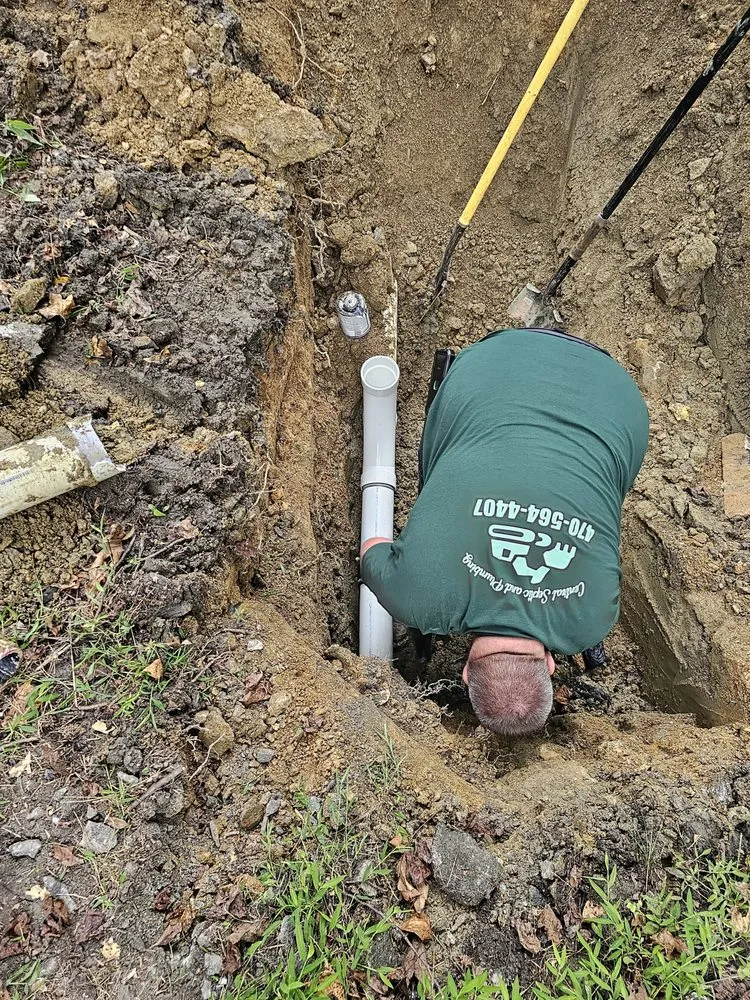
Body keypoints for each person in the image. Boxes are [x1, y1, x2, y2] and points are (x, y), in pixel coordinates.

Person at [359, 327, 649, 737]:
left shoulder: (592, 620)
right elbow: (372, 547)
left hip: (616, 395)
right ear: (464, 672)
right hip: (491, 369)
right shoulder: (417, 596)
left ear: (548, 666)